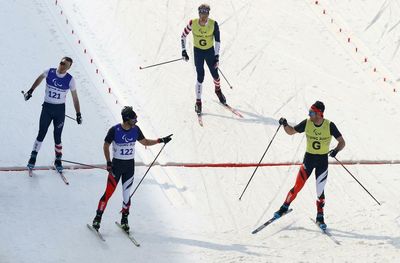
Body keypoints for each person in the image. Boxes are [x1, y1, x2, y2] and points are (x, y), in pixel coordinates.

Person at [92, 106, 172, 232]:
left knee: (126, 195)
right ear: (127, 119)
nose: (136, 121)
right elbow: (106, 145)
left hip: (129, 167)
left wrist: (160, 140)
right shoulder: (114, 130)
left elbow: (145, 142)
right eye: (134, 119)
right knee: (108, 194)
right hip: (116, 167)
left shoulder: (136, 130)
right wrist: (108, 162)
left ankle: (124, 219)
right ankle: (97, 218)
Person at [274, 101, 345, 229]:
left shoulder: (329, 125)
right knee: (298, 186)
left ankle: (320, 216)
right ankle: (284, 207)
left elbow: (342, 142)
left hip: (322, 162)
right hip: (309, 160)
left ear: (319, 113)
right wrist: (285, 124)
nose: (309, 114)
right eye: (309, 112)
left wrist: (336, 150)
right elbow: (291, 131)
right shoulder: (307, 123)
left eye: (312, 112)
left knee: (319, 191)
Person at [24, 57, 82, 172]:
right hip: (47, 108)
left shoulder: (70, 80)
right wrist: (30, 91)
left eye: (65, 65)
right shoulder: (49, 72)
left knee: (57, 136)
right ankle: (33, 157)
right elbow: (39, 80)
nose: (62, 66)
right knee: (41, 133)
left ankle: (58, 160)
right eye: (61, 63)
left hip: (60, 111)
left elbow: (75, 98)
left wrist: (78, 113)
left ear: (69, 68)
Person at [181, 3, 226, 114]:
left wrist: (216, 56)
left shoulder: (213, 24)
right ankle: (198, 101)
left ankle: (218, 90)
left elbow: (217, 41)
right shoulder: (193, 23)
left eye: (205, 13)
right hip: (198, 52)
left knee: (215, 75)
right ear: (199, 13)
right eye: (201, 13)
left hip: (210, 52)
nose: (203, 16)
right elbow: (183, 36)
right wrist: (183, 50)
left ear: (208, 14)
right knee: (200, 76)